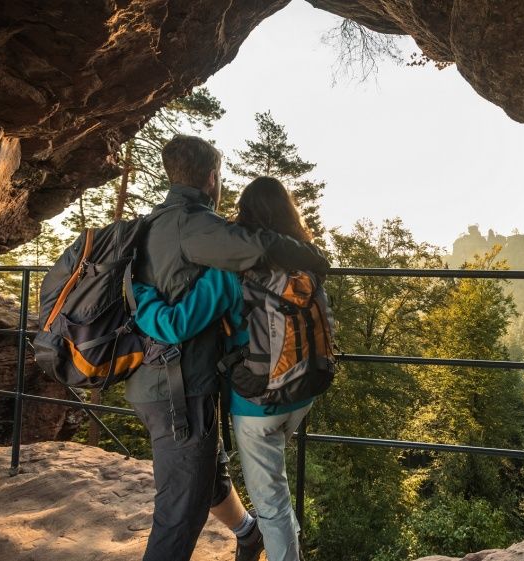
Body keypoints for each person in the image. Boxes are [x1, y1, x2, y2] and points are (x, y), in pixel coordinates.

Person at [127, 136, 329, 561]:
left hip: (254, 402)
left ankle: (271, 542)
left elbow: (175, 323)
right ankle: (252, 534)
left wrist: (139, 292)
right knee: (249, 482)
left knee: (272, 503)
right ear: (212, 178)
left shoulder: (224, 270)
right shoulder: (305, 268)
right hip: (302, 391)